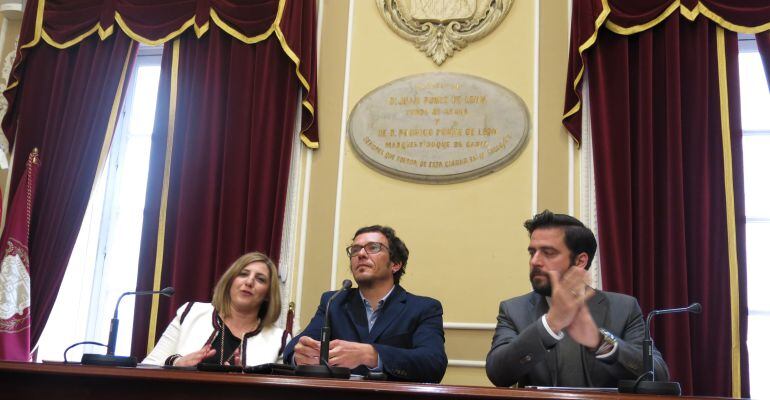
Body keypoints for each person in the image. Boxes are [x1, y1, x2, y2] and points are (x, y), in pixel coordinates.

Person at [486, 211, 669, 388]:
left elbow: (658, 375)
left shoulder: (624, 308)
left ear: (580, 261)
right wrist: (550, 324)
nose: (535, 261)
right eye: (532, 252)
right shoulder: (513, 310)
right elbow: (498, 374)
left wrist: (600, 342)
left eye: (548, 252)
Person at [283, 225, 447, 383]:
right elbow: (292, 349)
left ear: (395, 264)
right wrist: (300, 356)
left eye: (373, 247)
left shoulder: (423, 308)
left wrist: (372, 355)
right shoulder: (334, 302)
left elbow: (433, 363)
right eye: (355, 249)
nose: (361, 254)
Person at [143, 252, 284, 367]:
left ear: (267, 294)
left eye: (260, 279)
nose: (249, 282)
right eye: (243, 274)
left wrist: (248, 381)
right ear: (230, 281)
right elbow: (148, 367)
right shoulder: (191, 312)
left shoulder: (280, 339)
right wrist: (176, 362)